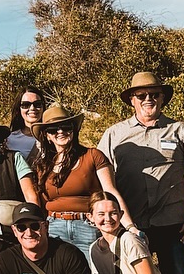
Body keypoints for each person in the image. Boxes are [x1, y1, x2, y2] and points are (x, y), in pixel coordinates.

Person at [97, 73, 184, 274]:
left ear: (163, 98)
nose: (148, 99)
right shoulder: (114, 134)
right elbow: (101, 177)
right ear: (132, 100)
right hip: (131, 222)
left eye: (154, 94)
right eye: (141, 95)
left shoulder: (180, 130)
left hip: (172, 222)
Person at [39, 104, 132, 260]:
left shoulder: (92, 156)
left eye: (65, 126)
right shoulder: (43, 165)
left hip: (87, 225)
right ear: (47, 136)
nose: (60, 131)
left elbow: (111, 192)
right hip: (54, 226)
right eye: (53, 129)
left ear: (74, 130)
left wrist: (130, 227)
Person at [7, 88, 49, 172]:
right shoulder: (9, 140)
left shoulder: (53, 136)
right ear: (19, 109)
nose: (32, 108)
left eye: (37, 104)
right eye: (26, 105)